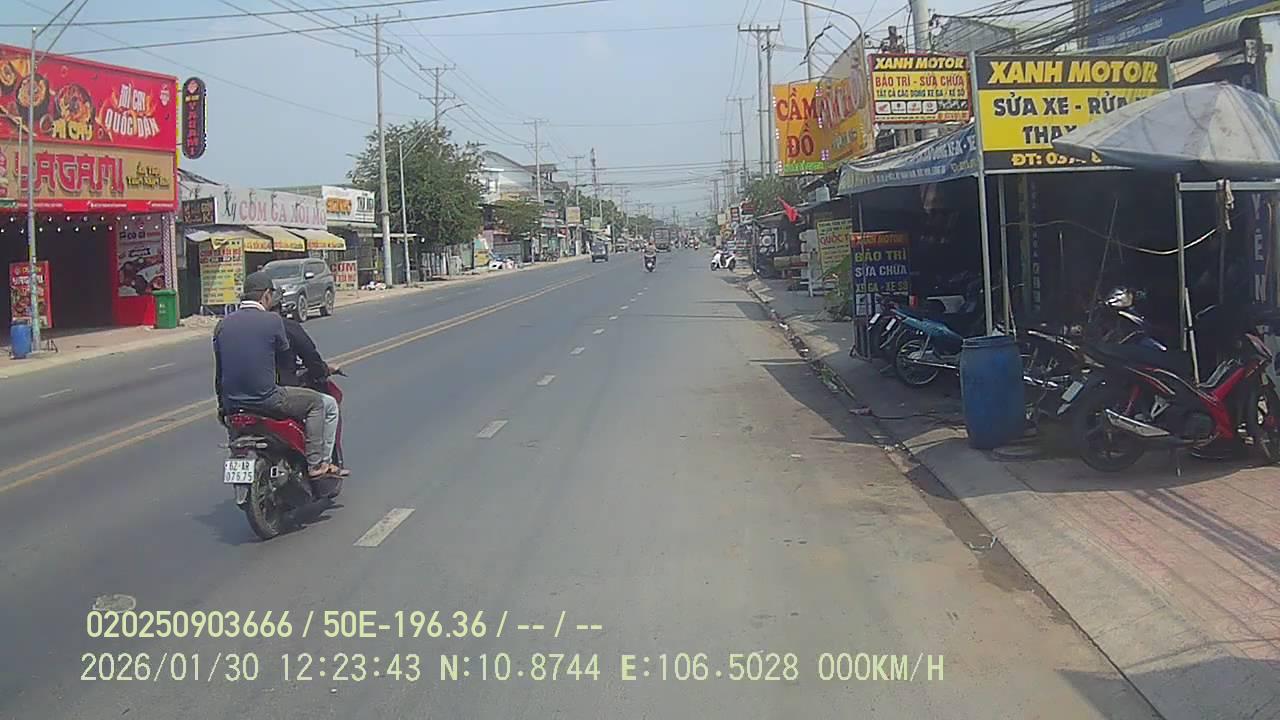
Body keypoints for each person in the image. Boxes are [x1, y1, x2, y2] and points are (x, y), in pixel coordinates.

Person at [214, 271, 339, 478]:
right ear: (266, 295)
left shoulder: (222, 325)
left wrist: (222, 406)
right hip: (268, 399)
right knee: (317, 403)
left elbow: (220, 373)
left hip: (232, 404)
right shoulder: (272, 321)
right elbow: (284, 356)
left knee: (234, 434)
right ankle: (316, 464)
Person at [274, 297, 347, 474]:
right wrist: (323, 370)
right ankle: (320, 463)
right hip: (276, 394)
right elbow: (311, 357)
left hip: (235, 400)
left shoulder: (229, 329)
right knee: (326, 405)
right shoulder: (285, 327)